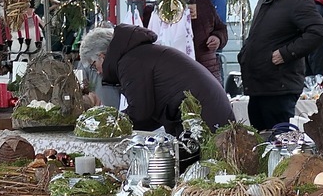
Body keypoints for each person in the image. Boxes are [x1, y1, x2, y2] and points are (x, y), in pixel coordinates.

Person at [80, 24, 235, 136]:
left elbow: (140, 112)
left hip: (206, 118)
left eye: (94, 66)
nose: (98, 72)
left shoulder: (130, 62)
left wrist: (106, 126)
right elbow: (148, 114)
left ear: (102, 56)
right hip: (208, 112)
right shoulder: (135, 55)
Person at [238, 0, 323, 131]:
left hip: (279, 88)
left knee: (279, 143)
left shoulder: (297, 0)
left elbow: (319, 32)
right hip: (261, 87)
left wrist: (286, 53)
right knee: (263, 143)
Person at [142, 0, 228, 83]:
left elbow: (221, 28)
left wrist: (217, 38)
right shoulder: (154, 11)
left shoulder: (203, 3)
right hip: (174, 75)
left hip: (207, 72)